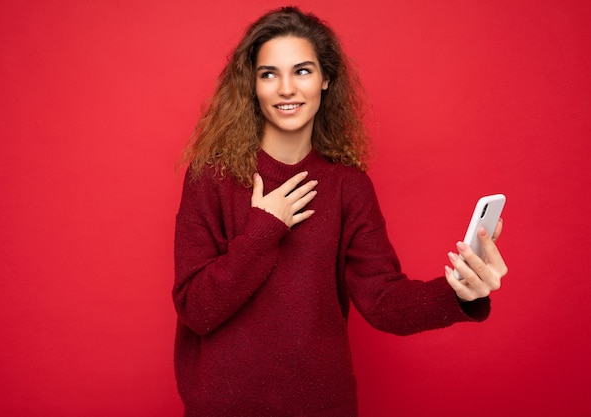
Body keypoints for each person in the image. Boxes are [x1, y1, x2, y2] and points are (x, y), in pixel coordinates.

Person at [173, 6, 507, 417]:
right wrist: (264, 228)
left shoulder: (347, 186)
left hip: (321, 406)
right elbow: (196, 310)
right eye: (269, 74)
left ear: (325, 80)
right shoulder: (211, 177)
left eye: (302, 71)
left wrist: (457, 292)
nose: (286, 89)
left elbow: (384, 301)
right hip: (223, 408)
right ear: (253, 86)